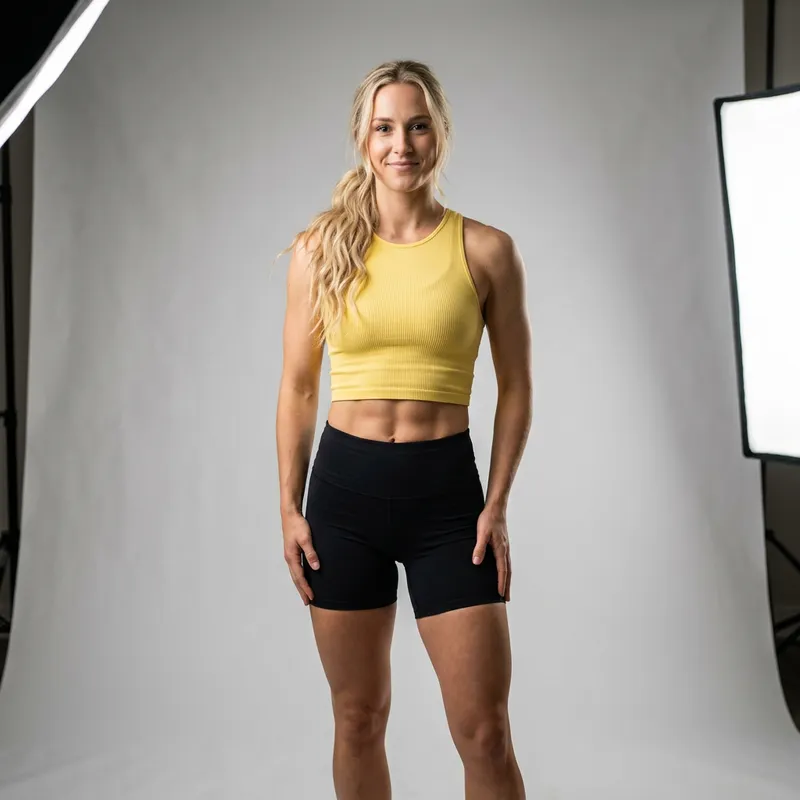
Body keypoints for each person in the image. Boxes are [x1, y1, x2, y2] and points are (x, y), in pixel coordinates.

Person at [276, 59, 532, 800]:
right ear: (363, 137)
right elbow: (296, 389)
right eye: (385, 127)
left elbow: (516, 387)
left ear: (439, 134)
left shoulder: (485, 251)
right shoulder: (321, 251)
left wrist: (498, 503)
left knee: (484, 730)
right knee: (358, 717)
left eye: (417, 125)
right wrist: (289, 507)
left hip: (449, 501)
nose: (402, 143)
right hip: (344, 499)